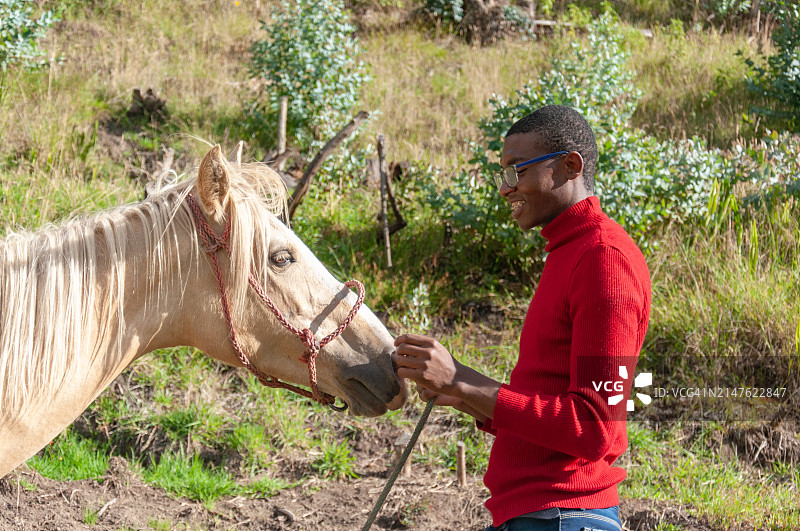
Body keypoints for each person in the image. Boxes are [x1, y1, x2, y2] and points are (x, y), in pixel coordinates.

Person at [393, 105, 652, 531]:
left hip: (563, 517)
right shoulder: (569, 251)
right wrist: (468, 396)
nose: (505, 189)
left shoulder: (602, 259)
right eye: (503, 175)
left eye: (517, 171)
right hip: (542, 515)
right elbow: (553, 410)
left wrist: (463, 379)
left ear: (570, 166)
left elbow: (593, 428)